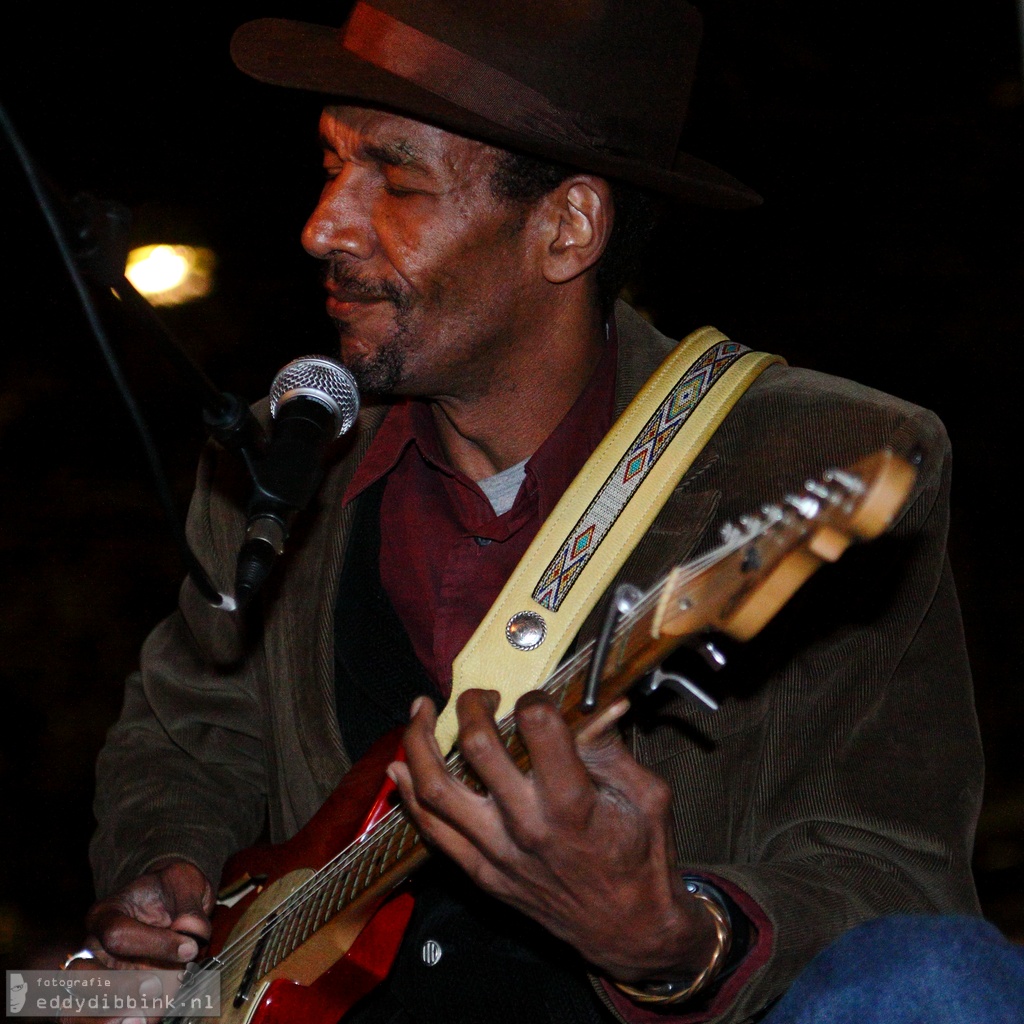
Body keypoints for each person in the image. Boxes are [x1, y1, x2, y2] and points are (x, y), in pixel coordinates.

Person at [75, 2, 1005, 1023]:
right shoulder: (286, 453)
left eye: (396, 178)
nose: (322, 225)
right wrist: (163, 867)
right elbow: (186, 731)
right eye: (331, 162)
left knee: (938, 976)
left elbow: (892, 866)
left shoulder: (819, 459)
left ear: (566, 229)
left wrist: (671, 938)